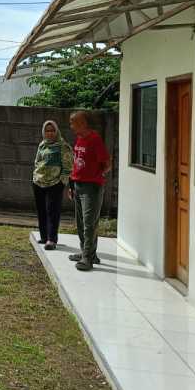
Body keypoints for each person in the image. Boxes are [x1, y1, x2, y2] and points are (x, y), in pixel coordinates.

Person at [68, 111, 112, 271]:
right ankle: (87, 253)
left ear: (83, 123)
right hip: (78, 185)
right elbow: (76, 163)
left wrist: (96, 175)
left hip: (91, 187)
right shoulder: (79, 139)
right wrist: (71, 185)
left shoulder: (95, 139)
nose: (71, 126)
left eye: (73, 122)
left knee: (89, 223)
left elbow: (107, 164)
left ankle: (88, 258)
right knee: (81, 222)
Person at [31, 120, 73, 251]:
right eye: (47, 130)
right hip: (39, 182)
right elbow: (37, 162)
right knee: (41, 210)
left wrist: (62, 182)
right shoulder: (42, 145)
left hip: (55, 183)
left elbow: (68, 166)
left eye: (52, 130)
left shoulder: (63, 146)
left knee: (52, 211)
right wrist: (36, 176)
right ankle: (44, 237)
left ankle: (52, 239)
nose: (50, 133)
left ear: (57, 131)